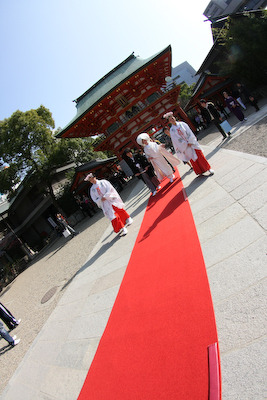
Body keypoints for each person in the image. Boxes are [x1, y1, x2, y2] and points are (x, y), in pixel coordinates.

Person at [163, 112, 214, 176]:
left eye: (172, 118)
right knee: (193, 159)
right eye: (170, 120)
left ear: (174, 118)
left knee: (200, 156)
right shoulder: (172, 130)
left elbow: (189, 132)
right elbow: (176, 140)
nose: (172, 120)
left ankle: (208, 168)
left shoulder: (182, 124)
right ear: (169, 122)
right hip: (185, 146)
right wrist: (185, 144)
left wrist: (190, 141)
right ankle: (199, 171)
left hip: (192, 143)